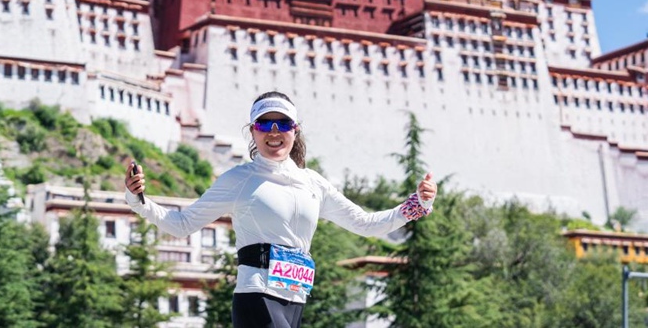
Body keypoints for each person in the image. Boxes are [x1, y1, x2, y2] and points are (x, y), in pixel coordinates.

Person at [125, 91, 437, 328]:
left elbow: (367, 223)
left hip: (296, 299)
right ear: (253, 131)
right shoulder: (239, 179)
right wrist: (137, 200)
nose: (274, 131)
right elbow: (181, 224)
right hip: (256, 295)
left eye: (283, 123)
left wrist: (418, 204)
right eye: (264, 124)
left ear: (295, 130)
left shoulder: (313, 183)